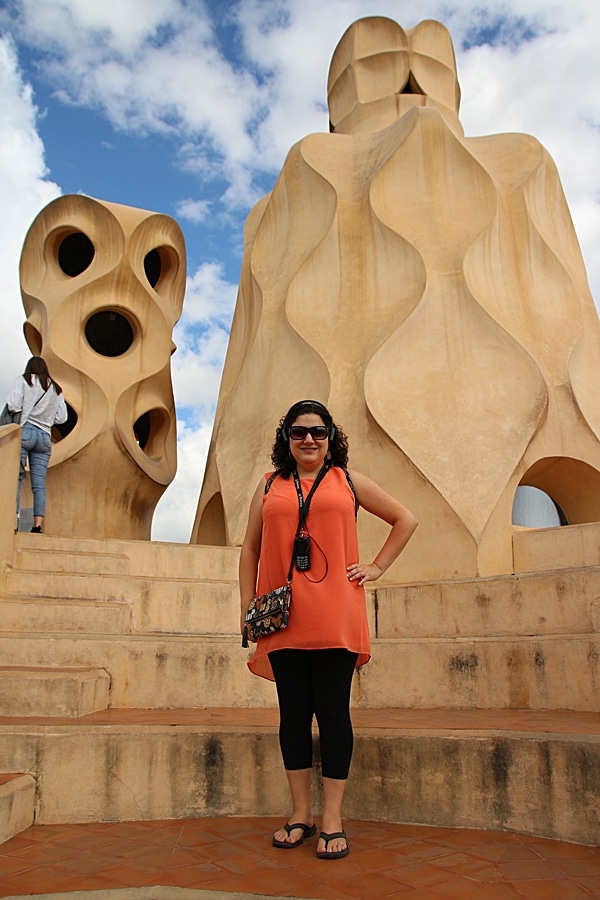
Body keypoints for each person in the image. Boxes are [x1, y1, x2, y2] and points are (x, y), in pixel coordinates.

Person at [239, 399, 418, 859]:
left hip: (337, 612)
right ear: (287, 439)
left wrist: (377, 566)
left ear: (331, 437)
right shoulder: (268, 486)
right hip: (282, 616)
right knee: (292, 716)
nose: (309, 440)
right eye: (299, 432)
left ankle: (332, 818)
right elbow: (250, 550)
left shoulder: (348, 482)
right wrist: (247, 606)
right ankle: (301, 813)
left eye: (318, 432)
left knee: (334, 714)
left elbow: (405, 519)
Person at [6, 356, 68, 533]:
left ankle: (13, 521)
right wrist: (46, 419)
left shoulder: (25, 380)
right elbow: (62, 417)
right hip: (44, 437)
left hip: (25, 432)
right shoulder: (55, 389)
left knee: (17, 479)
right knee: (39, 483)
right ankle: (37, 525)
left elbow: (13, 404)